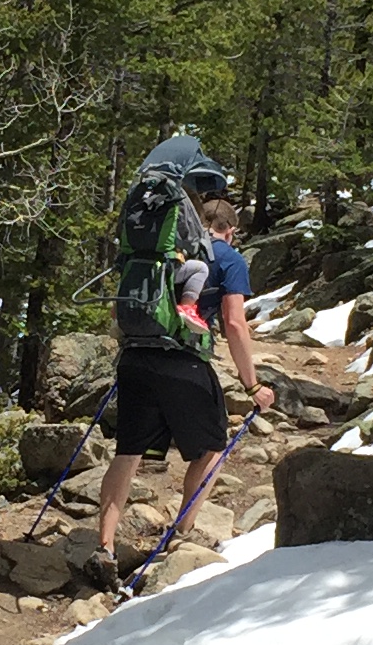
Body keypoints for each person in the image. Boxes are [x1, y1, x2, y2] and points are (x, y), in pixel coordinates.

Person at [94, 168, 273, 580]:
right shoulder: (227, 258)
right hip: (184, 362)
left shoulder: (156, 250)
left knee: (128, 452)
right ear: (228, 228)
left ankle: (103, 545)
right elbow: (234, 323)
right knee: (210, 448)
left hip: (136, 356)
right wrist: (253, 384)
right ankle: (181, 535)